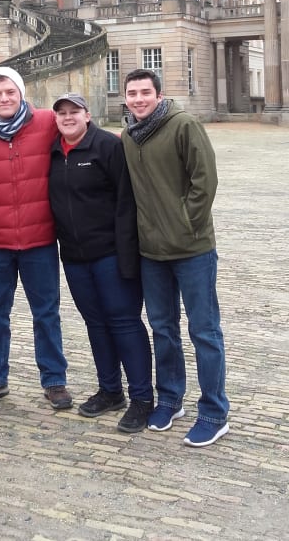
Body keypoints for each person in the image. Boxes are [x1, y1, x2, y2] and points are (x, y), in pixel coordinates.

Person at [121, 69, 229, 448]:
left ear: (158, 94)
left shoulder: (183, 124)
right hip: (152, 252)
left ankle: (214, 412)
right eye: (132, 93)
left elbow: (205, 179)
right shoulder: (128, 136)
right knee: (163, 329)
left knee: (204, 332)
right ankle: (170, 398)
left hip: (192, 249)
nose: (138, 99)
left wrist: (186, 224)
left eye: (144, 92)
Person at [0, 66, 71, 411]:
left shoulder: (46, 122)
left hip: (39, 238)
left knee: (46, 313)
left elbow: (82, 134)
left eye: (10, 92)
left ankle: (54, 380)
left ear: (21, 93)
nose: (4, 98)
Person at [48, 94, 153, 433]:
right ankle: (110, 390)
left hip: (110, 254)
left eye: (73, 112)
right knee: (96, 324)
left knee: (124, 323)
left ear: (87, 115)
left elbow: (127, 202)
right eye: (61, 113)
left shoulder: (107, 146)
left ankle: (141, 399)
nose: (67, 117)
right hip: (76, 258)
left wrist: (127, 254)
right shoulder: (52, 152)